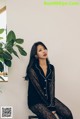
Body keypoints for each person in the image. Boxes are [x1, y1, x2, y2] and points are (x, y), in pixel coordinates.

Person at [25, 41, 73, 119]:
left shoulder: (51, 68)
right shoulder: (32, 69)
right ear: (36, 55)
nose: (44, 51)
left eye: (44, 49)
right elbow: (39, 91)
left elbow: (51, 87)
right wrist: (51, 108)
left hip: (49, 99)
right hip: (35, 101)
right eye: (40, 50)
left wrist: (52, 105)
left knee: (68, 114)